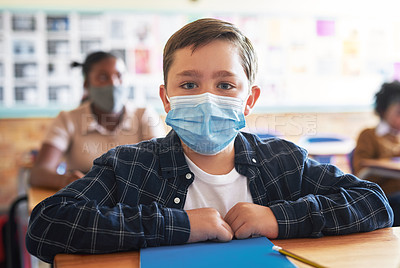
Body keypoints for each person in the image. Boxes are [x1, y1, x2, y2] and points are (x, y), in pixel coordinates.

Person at [26, 18, 393, 264]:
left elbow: (375, 203)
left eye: (225, 85)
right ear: (166, 98)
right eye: (189, 84)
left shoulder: (283, 162)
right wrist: (181, 226)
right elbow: (48, 224)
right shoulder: (128, 166)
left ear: (249, 99)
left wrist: (276, 218)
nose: (206, 98)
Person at [29, 51, 165, 190]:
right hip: (86, 201)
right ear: (87, 84)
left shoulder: (144, 116)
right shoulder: (68, 120)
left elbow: (161, 168)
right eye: (102, 77)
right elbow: (39, 173)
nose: (113, 83)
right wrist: (68, 181)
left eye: (119, 76)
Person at [352, 81, 400, 226]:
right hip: (382, 197)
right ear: (384, 111)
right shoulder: (369, 135)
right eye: (399, 112)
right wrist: (390, 159)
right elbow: (361, 173)